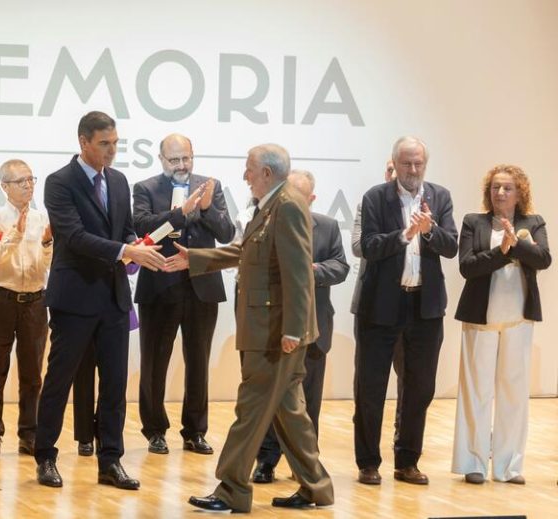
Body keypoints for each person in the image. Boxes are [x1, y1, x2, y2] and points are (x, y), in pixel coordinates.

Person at [170, 144, 334, 512]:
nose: (244, 176)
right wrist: (195, 258)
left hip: (276, 332)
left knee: (251, 409)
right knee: (289, 413)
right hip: (269, 329)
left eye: (249, 169)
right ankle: (317, 488)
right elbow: (247, 251)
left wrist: (292, 330)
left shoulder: (288, 206)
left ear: (266, 174)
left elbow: (297, 274)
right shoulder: (273, 204)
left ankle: (231, 490)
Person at [34, 111, 165, 490]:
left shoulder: (120, 181)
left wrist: (138, 247)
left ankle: (111, 461)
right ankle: (45, 456)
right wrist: (126, 249)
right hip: (74, 297)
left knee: (114, 384)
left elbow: (123, 230)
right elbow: (72, 237)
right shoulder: (60, 182)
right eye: (104, 143)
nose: (112, 150)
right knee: (59, 381)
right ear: (83, 142)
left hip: (113, 299)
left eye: (115, 143)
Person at [353, 136, 458, 486]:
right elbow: (366, 246)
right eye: (407, 164)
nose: (413, 170)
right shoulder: (375, 197)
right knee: (371, 388)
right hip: (381, 305)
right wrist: (403, 235)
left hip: (425, 307)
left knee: (420, 388)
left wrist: (429, 232)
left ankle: (407, 461)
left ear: (425, 164)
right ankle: (368, 463)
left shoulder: (439, 197)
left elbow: (451, 246)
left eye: (418, 164)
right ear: (394, 164)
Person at [133, 133, 235, 455]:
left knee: (198, 361)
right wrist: (179, 213)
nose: (181, 165)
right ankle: (154, 430)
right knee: (154, 363)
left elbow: (227, 233)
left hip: (201, 287)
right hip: (159, 286)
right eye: (174, 159)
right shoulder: (146, 188)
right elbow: (142, 228)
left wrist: (205, 210)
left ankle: (195, 431)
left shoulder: (210, 187)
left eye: (186, 158)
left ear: (193, 157)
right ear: (161, 159)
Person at [452, 164, 551, 485]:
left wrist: (518, 244)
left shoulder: (533, 223)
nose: (500, 193)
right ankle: (474, 463)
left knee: (513, 394)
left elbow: (543, 259)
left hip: (518, 319)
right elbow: (467, 267)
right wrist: (503, 251)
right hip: (480, 319)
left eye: (507, 187)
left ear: (520, 192)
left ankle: (509, 467)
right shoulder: (473, 222)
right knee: (475, 391)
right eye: (495, 187)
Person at [252, 169, 349, 484]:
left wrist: (311, 271)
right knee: (271, 400)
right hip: (276, 328)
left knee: (309, 403)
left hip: (315, 328)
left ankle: (305, 466)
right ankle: (266, 462)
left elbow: (340, 267)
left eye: (299, 196)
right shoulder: (267, 222)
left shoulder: (329, 227)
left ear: (312, 199)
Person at [0, 160, 52, 458]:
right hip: (1, 300)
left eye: (31, 179)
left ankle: (29, 433)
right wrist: (15, 235)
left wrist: (47, 245)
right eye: (21, 181)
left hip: (35, 300)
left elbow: (48, 264)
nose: (28, 185)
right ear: (4, 187)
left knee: (33, 374)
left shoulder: (42, 218)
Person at [351, 160, 404, 446]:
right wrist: (401, 237)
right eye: (391, 170)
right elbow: (360, 246)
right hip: (374, 303)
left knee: (411, 383)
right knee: (369, 382)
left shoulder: (422, 209)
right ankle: (368, 450)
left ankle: (402, 439)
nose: (396, 175)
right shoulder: (370, 204)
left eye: (403, 169)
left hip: (411, 307)